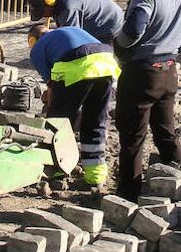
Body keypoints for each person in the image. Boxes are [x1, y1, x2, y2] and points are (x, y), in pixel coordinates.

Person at [112, 0, 181, 200]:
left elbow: (135, 29)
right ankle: (178, 186)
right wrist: (171, 48)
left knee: (132, 138)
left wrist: (120, 47)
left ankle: (127, 197)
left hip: (141, 73)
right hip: (168, 72)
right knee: (165, 132)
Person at [27, 23, 120, 186]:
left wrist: (52, 104)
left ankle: (55, 169)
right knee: (95, 121)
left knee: (57, 123)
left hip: (75, 65)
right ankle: (95, 176)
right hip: (106, 64)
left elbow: (51, 87)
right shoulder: (70, 29)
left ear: (33, 40)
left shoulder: (37, 49)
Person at [26, 0, 124, 43]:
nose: (44, 16)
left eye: (43, 12)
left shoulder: (68, 7)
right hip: (97, 21)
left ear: (49, 1)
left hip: (108, 25)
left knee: (99, 59)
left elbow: (72, 39)